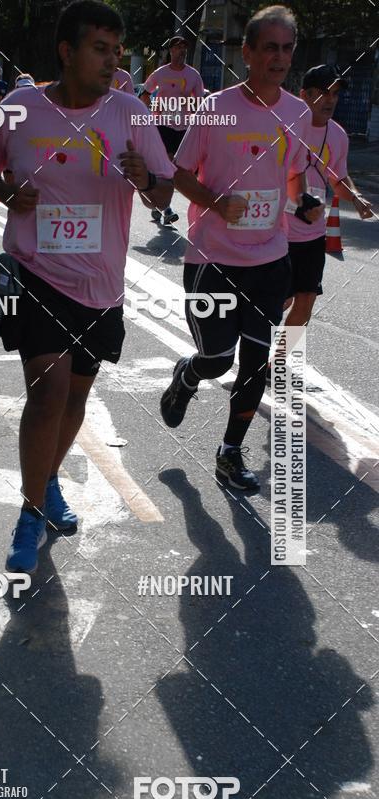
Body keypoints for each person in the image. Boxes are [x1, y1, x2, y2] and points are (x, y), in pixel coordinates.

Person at [0, 0, 174, 573]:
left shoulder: (130, 112)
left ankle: (48, 477)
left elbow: (163, 194)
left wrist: (147, 180)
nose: (111, 61)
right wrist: (7, 193)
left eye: (116, 50)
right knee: (48, 392)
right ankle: (31, 511)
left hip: (101, 286)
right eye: (99, 49)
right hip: (36, 273)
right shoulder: (18, 106)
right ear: (67, 51)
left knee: (78, 397)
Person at [159, 5, 324, 490]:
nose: (279, 57)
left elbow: (293, 173)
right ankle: (188, 375)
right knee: (218, 359)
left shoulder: (296, 113)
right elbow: (179, 173)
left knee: (255, 363)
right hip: (213, 260)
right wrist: (215, 202)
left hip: (271, 258)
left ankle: (230, 452)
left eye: (287, 48)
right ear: (247, 52)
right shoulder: (216, 108)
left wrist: (303, 201)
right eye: (269, 47)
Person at [283, 64, 373, 330]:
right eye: (324, 93)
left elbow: (339, 179)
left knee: (306, 302)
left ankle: (277, 366)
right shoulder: (285, 130)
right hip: (280, 232)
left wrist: (355, 197)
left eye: (335, 94)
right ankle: (256, 358)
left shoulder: (338, 135)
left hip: (313, 234)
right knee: (280, 301)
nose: (330, 100)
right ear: (305, 95)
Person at [141, 34, 204, 225]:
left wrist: (192, 108)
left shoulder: (193, 75)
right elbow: (145, 94)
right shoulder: (161, 73)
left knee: (179, 168)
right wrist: (151, 115)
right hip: (163, 125)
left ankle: (159, 201)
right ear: (171, 51)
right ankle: (166, 208)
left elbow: (200, 102)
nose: (182, 51)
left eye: (184, 48)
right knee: (167, 164)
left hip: (183, 127)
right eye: (178, 48)